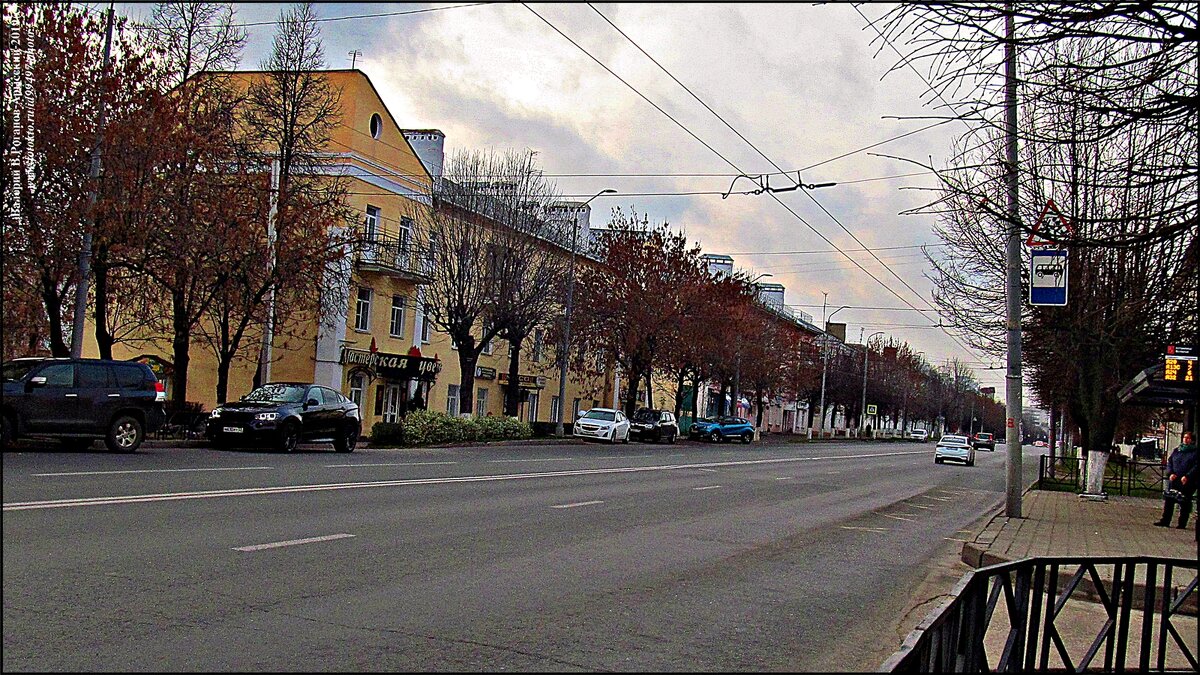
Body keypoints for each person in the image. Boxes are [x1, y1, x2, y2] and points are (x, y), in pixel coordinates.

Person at [1154, 431, 1197, 529]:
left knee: (1184, 502)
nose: (1186, 440)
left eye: (1188, 438)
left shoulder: (1195, 452)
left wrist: (1188, 476)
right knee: (1169, 499)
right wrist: (1170, 473)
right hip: (1175, 479)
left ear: (1192, 440)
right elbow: (1170, 462)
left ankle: (1182, 523)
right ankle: (1165, 520)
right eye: (1184, 437)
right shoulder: (1177, 450)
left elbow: (1196, 466)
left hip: (1187, 481)